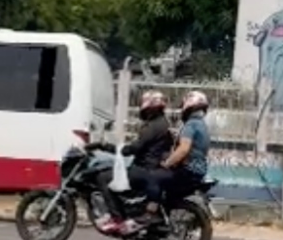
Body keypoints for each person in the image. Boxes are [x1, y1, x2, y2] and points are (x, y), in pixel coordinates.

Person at [84, 90, 174, 231]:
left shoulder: (153, 126)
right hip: (151, 168)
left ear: (148, 106)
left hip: (144, 169)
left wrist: (106, 146)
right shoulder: (163, 123)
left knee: (102, 178)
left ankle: (116, 218)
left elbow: (133, 149)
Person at [131, 90, 211, 230]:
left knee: (154, 177)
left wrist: (168, 163)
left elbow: (183, 149)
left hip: (188, 171)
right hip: (198, 171)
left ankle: (151, 213)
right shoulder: (202, 125)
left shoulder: (191, 125)